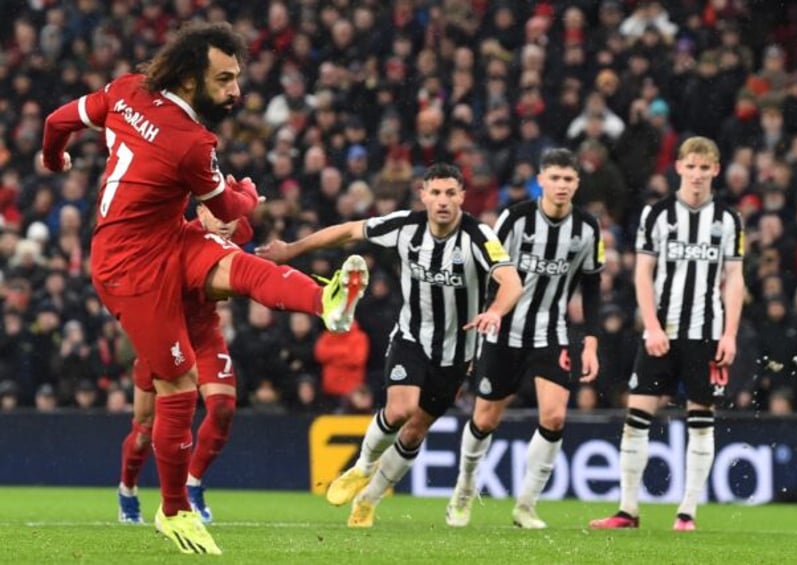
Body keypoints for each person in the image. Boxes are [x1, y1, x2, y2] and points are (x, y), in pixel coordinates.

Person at [40, 23, 368, 554]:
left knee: (236, 264)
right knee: (178, 387)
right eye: (225, 79)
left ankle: (325, 300)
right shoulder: (191, 142)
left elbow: (58, 120)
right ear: (192, 80)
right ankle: (173, 511)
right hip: (128, 267)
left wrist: (54, 158)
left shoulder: (126, 91)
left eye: (237, 77)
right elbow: (226, 212)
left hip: (165, 237)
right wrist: (246, 192)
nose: (236, 90)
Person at [258, 163, 523, 528]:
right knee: (400, 410)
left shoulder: (479, 237)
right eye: (436, 193)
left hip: (456, 354)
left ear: (462, 196)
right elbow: (350, 230)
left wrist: (494, 311)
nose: (443, 201)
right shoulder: (405, 226)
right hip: (411, 338)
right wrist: (292, 250)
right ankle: (362, 467)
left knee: (415, 431)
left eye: (450, 193)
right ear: (423, 195)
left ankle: (369, 499)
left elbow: (511, 282)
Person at [589, 136, 745, 532]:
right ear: (678, 167)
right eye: (690, 166)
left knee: (701, 418)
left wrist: (729, 334)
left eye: (704, 168)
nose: (696, 175)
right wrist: (653, 326)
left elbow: (734, 278)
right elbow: (643, 272)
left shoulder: (729, 220)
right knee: (637, 414)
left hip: (706, 334)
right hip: (663, 333)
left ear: (715, 170)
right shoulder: (655, 215)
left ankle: (687, 513)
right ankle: (627, 510)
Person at [444, 148, 604, 529]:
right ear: (541, 180)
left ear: (577, 183)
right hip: (504, 331)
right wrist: (482, 320)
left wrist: (593, 340)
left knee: (554, 415)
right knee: (484, 420)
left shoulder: (587, 228)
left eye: (569, 179)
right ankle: (463, 491)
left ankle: (526, 505)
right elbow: (488, 271)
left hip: (552, 333)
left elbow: (592, 285)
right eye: (555, 178)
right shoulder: (514, 219)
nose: (562, 185)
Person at [117, 204, 249, 525]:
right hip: (163, 335)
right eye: (216, 216)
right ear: (201, 212)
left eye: (227, 218)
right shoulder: (177, 237)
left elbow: (245, 230)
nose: (223, 223)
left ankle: (193, 485)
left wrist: (241, 209)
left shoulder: (232, 232)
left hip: (204, 335)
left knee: (222, 409)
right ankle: (128, 489)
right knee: (143, 430)